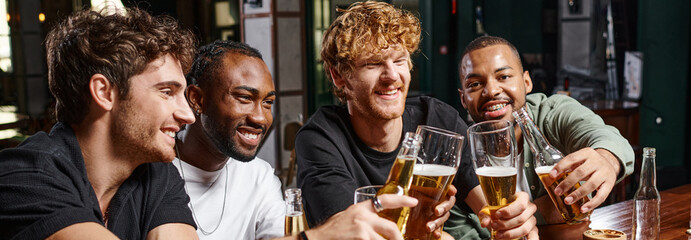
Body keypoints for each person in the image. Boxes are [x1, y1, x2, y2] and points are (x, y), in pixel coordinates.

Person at [295, 1, 539, 239]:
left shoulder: (437, 119)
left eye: (399, 60)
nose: (392, 75)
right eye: (373, 63)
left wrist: (513, 220)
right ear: (339, 76)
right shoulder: (320, 138)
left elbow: (493, 214)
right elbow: (349, 232)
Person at [177, 40, 419, 240]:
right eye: (244, 98)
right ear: (197, 99)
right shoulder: (155, 175)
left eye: (268, 103)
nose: (260, 117)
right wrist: (323, 235)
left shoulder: (259, 177)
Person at [0, 8, 199, 239]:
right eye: (167, 92)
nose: (189, 115)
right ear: (104, 92)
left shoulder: (156, 172)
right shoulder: (26, 176)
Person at [457, 35, 635, 224]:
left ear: (527, 83)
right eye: (474, 84)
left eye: (504, 77)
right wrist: (545, 212)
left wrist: (606, 159)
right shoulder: (459, 154)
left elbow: (607, 137)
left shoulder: (552, 112)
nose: (491, 91)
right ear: (463, 99)